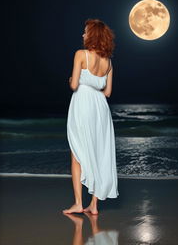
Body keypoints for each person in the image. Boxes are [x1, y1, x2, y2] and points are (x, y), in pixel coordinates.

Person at [63, 18, 119, 215]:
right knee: (98, 153)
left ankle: (79, 203)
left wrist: (71, 80)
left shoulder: (81, 54)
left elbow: (74, 85)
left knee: (77, 153)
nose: (83, 34)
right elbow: (108, 92)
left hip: (83, 104)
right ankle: (94, 206)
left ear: (93, 35)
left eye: (85, 31)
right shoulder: (108, 62)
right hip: (101, 108)